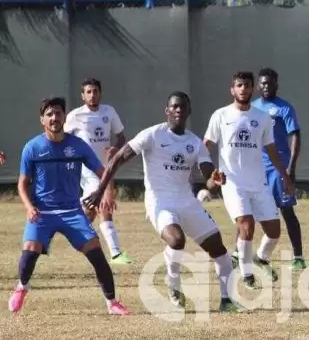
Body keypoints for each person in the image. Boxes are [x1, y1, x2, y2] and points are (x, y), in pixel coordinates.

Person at [87, 92, 244, 313]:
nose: (179, 110)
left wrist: (214, 180)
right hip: (159, 201)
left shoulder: (194, 142)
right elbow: (117, 158)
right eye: (174, 107)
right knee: (176, 239)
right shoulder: (152, 135)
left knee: (219, 250)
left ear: (189, 111)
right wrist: (101, 191)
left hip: (187, 202)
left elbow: (208, 177)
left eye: (183, 107)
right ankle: (173, 282)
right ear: (167, 111)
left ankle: (227, 300)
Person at [8, 97, 129, 315]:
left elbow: (103, 173)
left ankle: (112, 303)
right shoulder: (32, 147)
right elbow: (22, 183)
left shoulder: (78, 145)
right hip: (42, 212)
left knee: (97, 255)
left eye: (58, 113)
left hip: (73, 211)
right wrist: (29, 207)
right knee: (29, 252)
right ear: (42, 120)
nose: (54, 118)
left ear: (65, 117)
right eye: (50, 114)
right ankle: (22, 287)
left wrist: (105, 192)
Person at [203, 72, 295, 289]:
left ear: (252, 89)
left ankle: (261, 258)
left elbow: (271, 148)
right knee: (246, 224)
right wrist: (206, 170)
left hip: (259, 183)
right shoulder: (221, 115)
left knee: (274, 231)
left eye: (246, 85)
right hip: (232, 183)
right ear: (232, 90)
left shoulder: (262, 118)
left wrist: (284, 174)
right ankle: (246, 275)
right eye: (239, 85)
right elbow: (205, 144)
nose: (243, 89)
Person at [64, 78, 133, 265]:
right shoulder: (74, 116)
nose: (92, 95)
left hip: (105, 167)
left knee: (89, 212)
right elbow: (63, 140)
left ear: (99, 93)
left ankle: (72, 225)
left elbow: (121, 138)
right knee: (104, 203)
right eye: (88, 92)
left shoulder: (109, 112)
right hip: (86, 169)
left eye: (95, 91)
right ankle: (116, 253)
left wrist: (115, 148)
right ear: (82, 95)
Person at [251, 67, 306, 270]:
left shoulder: (284, 108)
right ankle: (242, 254)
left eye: (270, 83)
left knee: (287, 211)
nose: (266, 86)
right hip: (256, 169)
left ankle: (298, 256)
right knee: (249, 211)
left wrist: (290, 167)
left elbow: (295, 136)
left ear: (276, 84)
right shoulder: (252, 108)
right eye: (263, 83)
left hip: (278, 169)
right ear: (258, 85)